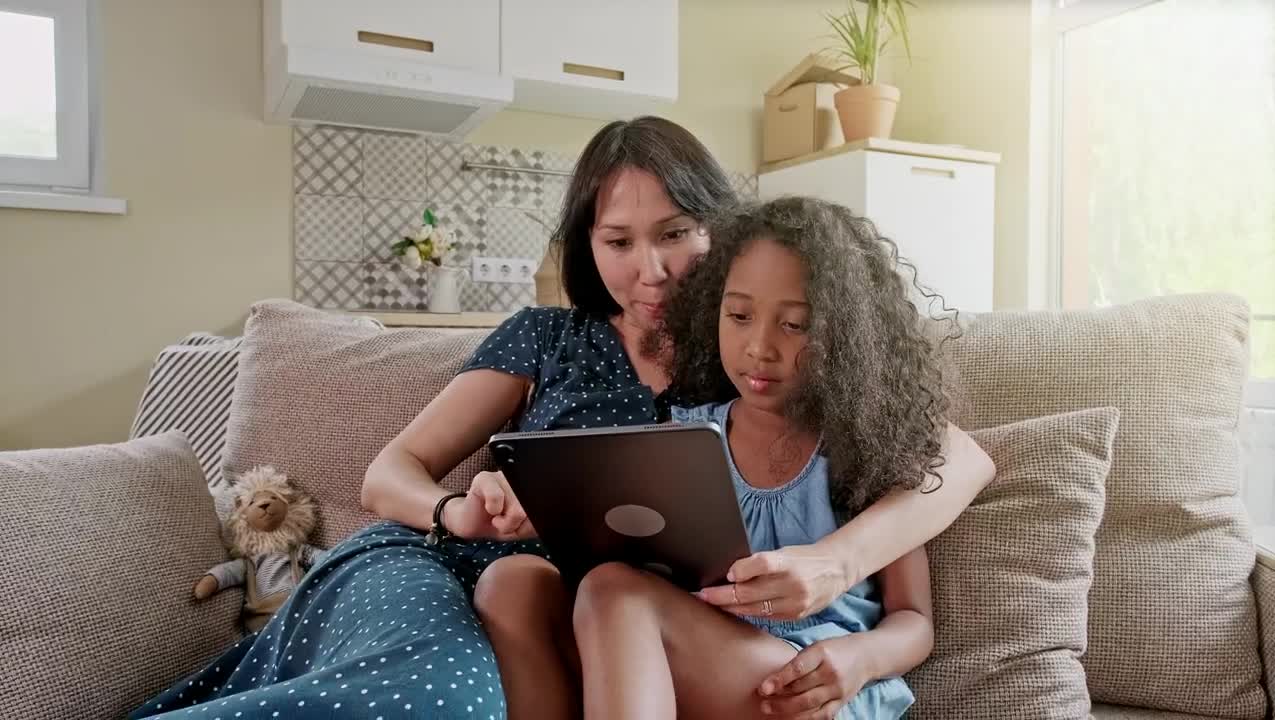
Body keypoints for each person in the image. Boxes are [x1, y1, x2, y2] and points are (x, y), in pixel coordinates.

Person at [131, 117, 993, 720]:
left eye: (676, 234)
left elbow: (944, 456)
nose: (649, 271)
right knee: (506, 592)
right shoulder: (555, 340)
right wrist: (459, 510)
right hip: (453, 569)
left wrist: (839, 568)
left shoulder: (742, 369)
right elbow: (389, 474)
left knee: (555, 596)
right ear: (587, 247)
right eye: (617, 242)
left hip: (652, 627)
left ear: (721, 231)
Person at [477, 196, 947, 719]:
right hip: (693, 660)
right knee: (513, 581)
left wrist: (861, 658)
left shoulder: (867, 443)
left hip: (807, 679)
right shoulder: (682, 435)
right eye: (739, 316)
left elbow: (913, 618)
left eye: (794, 325)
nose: (759, 347)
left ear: (851, 333)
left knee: (617, 592)